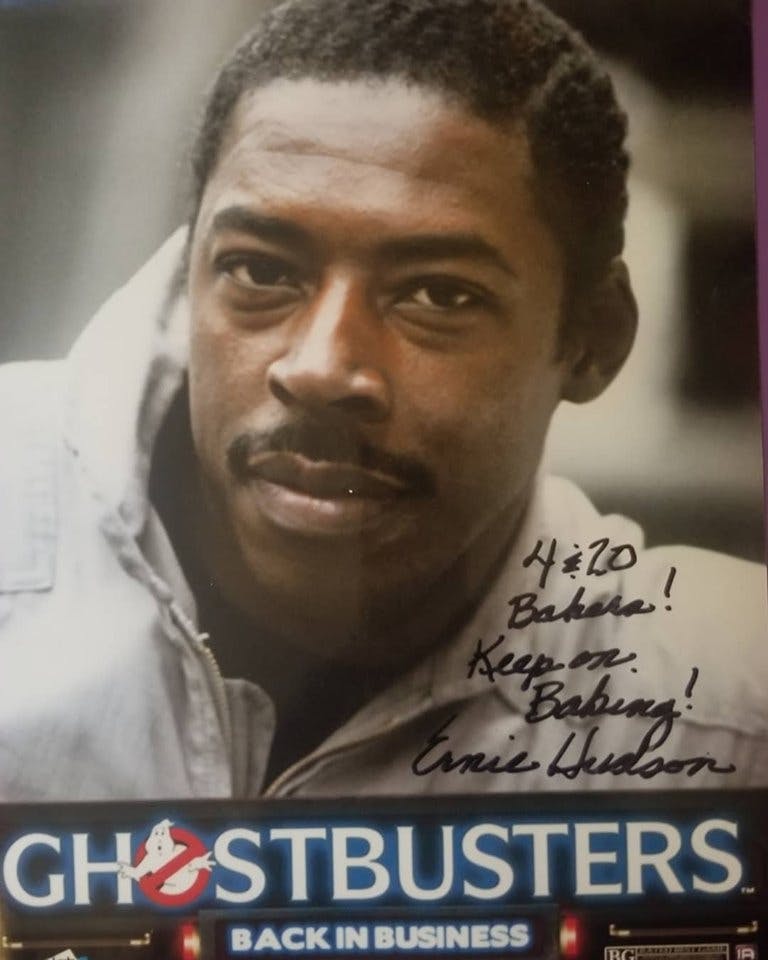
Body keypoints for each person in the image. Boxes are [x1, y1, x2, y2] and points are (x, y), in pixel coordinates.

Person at [0, 0, 766, 801]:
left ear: (594, 341)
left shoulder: (724, 719)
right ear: (187, 275)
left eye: (438, 295)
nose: (323, 369)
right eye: (261, 271)